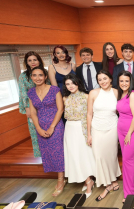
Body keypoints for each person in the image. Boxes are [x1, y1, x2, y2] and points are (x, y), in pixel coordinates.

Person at [27, 67, 66, 197]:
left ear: (45, 77)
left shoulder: (54, 90)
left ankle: (61, 180)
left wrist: (52, 127)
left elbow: (60, 109)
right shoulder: (31, 92)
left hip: (55, 124)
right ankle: (60, 177)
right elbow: (32, 112)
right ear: (31, 77)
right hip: (40, 126)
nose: (37, 78)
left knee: (58, 151)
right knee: (48, 152)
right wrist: (38, 128)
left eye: (40, 75)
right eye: (34, 75)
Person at [87, 70, 121, 201]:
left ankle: (112, 181)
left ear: (111, 79)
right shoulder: (93, 93)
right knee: (99, 156)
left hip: (112, 127)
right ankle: (108, 184)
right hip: (97, 128)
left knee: (111, 155)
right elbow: (89, 114)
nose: (103, 81)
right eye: (100, 79)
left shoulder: (116, 92)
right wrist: (89, 134)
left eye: (105, 78)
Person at [63, 74, 96, 198]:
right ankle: (87, 180)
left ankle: (89, 181)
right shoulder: (65, 98)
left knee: (84, 155)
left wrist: (90, 132)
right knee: (74, 155)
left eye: (73, 83)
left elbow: (91, 114)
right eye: (67, 84)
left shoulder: (87, 97)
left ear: (78, 83)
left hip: (82, 128)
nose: (70, 86)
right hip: (69, 128)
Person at [116, 71, 134, 203]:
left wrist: (128, 133)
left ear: (131, 81)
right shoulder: (120, 94)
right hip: (121, 131)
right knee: (130, 160)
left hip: (132, 131)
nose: (124, 83)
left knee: (127, 161)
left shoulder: (132, 94)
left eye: (126, 81)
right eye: (121, 81)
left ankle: (130, 192)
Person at [18, 51, 48, 158]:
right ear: (26, 63)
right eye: (29, 60)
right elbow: (23, 93)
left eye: (35, 59)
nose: (33, 62)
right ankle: (42, 156)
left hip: (46, 106)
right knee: (35, 131)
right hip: (32, 107)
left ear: (39, 60)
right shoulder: (23, 76)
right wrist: (27, 108)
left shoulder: (46, 73)